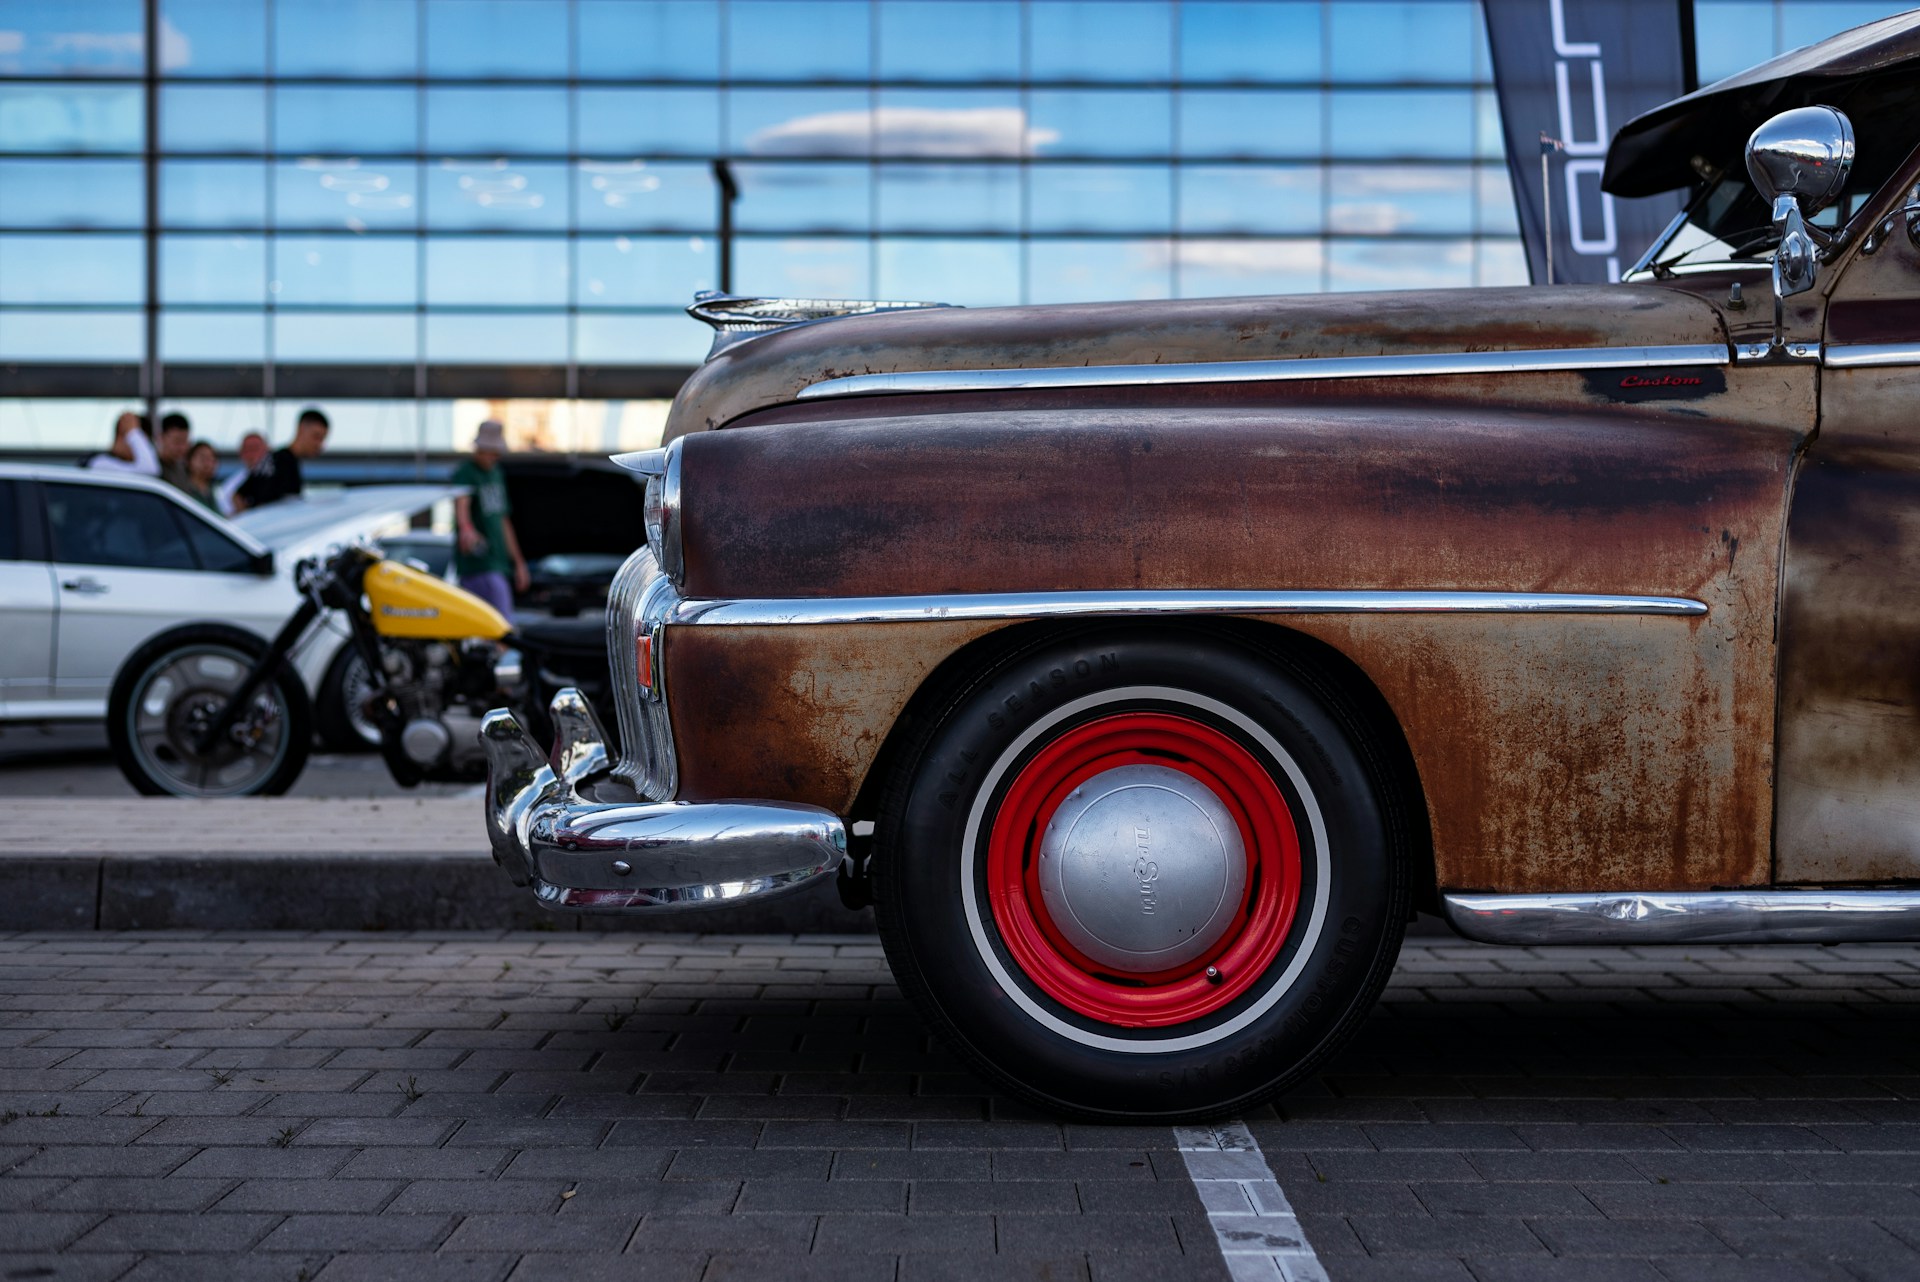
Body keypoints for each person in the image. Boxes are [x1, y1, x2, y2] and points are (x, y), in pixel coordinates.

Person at [452, 419, 528, 615]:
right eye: (489, 451)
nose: (493, 457)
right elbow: (462, 504)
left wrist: (518, 563)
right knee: (500, 627)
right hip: (477, 563)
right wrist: (467, 529)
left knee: (497, 627)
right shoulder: (466, 472)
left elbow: (504, 521)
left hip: (498, 562)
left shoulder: (496, 474)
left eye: (496, 452)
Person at [234, 409, 328, 512]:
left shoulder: (277, 459)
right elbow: (239, 496)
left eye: (322, 439)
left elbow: (238, 495)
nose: (319, 445)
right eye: (316, 437)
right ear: (301, 429)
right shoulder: (283, 463)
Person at [85, 411, 160, 475]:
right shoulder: (100, 464)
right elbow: (148, 471)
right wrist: (133, 431)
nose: (120, 440)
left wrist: (133, 432)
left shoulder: (136, 466)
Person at [219, 432, 268, 514]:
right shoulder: (230, 487)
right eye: (247, 450)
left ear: (267, 450)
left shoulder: (283, 479)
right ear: (241, 453)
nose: (252, 454)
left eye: (256, 448)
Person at [155, 412, 194, 495]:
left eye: (185, 442)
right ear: (161, 438)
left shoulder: (182, 468)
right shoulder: (153, 468)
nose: (182, 448)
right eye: (177, 442)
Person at [182, 441, 224, 513]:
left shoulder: (219, 491)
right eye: (203, 458)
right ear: (189, 461)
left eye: (212, 459)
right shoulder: (182, 492)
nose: (208, 463)